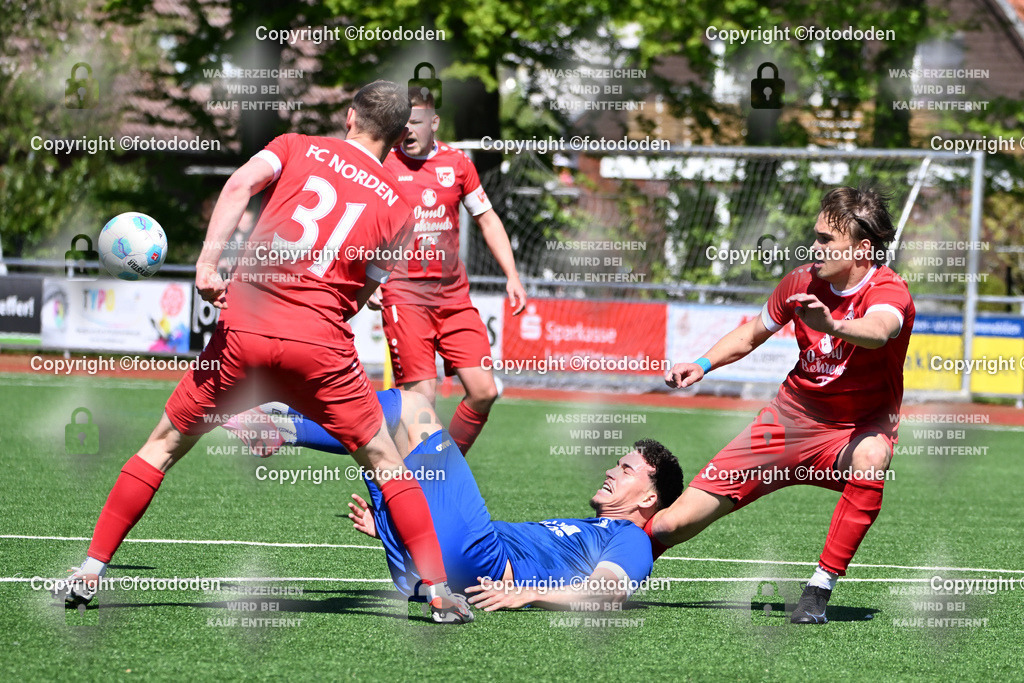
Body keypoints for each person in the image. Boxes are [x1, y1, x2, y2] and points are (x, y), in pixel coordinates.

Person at [60, 80, 471, 624]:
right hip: (320, 347)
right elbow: (363, 293)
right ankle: (438, 591)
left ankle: (90, 570)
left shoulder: (296, 146)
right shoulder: (400, 206)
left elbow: (237, 188)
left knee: (161, 447)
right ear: (398, 140)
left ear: (350, 117)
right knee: (386, 462)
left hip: (245, 331)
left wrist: (209, 265)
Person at [650, 187, 914, 624]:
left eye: (828, 240)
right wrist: (702, 364)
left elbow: (879, 329)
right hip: (786, 423)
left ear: (863, 248)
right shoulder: (800, 281)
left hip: (854, 433)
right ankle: (612, 567)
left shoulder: (890, 290)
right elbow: (751, 334)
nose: (816, 247)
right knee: (670, 525)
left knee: (873, 455)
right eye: (816, 236)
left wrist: (830, 323)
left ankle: (818, 591)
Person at [225, 389, 684, 611]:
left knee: (413, 409)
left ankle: (282, 425)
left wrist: (530, 594)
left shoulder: (631, 538)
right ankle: (408, 540)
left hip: (478, 562)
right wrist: (399, 525)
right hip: (437, 564)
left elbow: (609, 591)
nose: (610, 470)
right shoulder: (589, 528)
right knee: (382, 449)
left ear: (649, 497)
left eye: (625, 469)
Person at [370, 87, 528, 455]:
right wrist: (370, 278)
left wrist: (513, 274)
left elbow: (487, 218)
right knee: (421, 401)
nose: (407, 129)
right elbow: (363, 222)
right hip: (405, 296)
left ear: (434, 122)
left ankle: (444, 469)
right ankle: (415, 486)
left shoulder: (458, 165)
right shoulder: (383, 166)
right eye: (401, 122)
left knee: (484, 392)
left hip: (453, 298)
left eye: (416, 121)